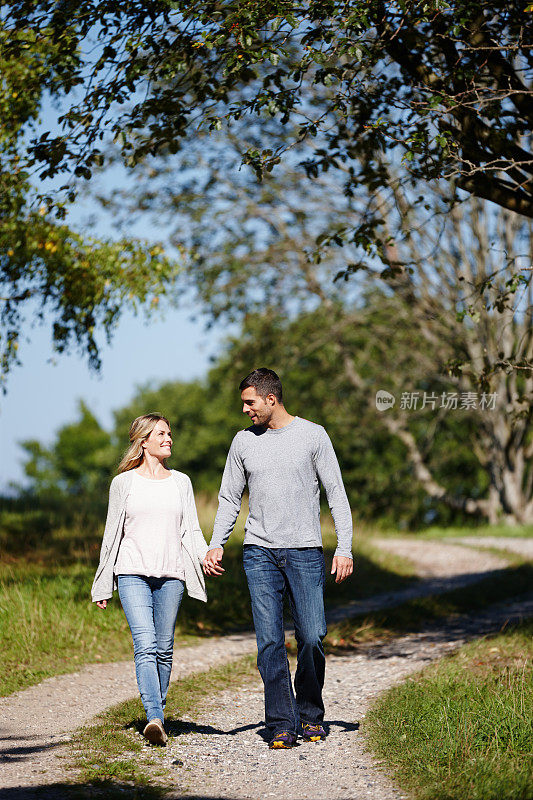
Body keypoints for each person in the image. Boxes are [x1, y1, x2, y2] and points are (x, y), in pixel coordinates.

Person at [203, 368, 353, 749]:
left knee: (313, 636)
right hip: (259, 552)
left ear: (272, 399)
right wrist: (216, 542)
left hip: (304, 550)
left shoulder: (313, 435)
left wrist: (345, 547)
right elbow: (228, 498)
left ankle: (309, 713)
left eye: (249, 402)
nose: (244, 410)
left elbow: (336, 493)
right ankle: (282, 722)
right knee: (270, 641)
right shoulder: (242, 442)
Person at [91, 413, 208, 746]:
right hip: (131, 572)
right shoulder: (124, 483)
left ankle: (157, 713)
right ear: (143, 441)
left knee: (164, 649)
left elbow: (191, 530)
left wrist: (205, 556)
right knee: (145, 645)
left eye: (169, 433)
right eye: (161, 433)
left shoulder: (181, 482)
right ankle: (155, 716)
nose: (168, 438)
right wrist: (103, 583)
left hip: (172, 573)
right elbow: (111, 535)